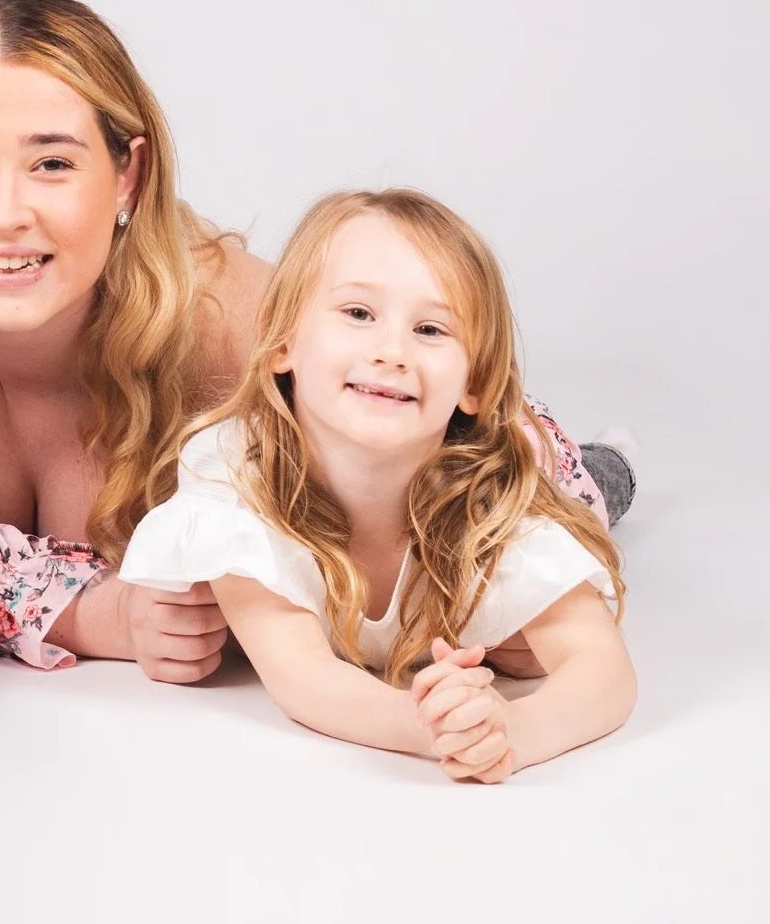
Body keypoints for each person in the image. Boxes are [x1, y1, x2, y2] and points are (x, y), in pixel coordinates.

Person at [0, 0, 627, 682]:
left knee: (562, 485)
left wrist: (504, 594)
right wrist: (97, 612)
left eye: (53, 163)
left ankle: (619, 464)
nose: (6, 214)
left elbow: (502, 435)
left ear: (129, 175)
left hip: (417, 476)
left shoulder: (229, 316)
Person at [117, 190, 634, 781]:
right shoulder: (233, 472)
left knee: (596, 489)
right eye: (359, 313)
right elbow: (302, 675)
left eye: (431, 329)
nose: (391, 352)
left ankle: (616, 458)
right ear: (284, 341)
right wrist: (431, 725)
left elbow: (603, 669)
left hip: (533, 453)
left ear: (474, 381)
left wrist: (511, 732)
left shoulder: (500, 495)